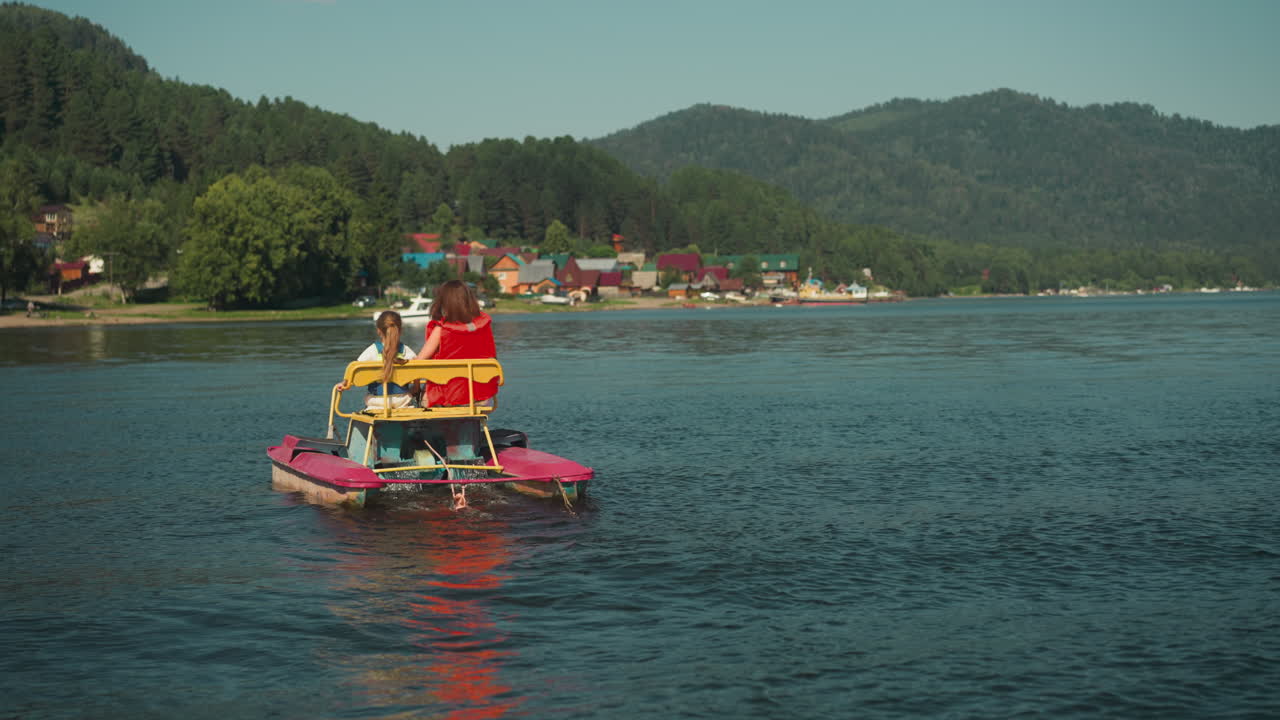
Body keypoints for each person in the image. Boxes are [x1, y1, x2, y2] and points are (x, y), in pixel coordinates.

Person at [414, 280, 498, 407]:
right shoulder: (484, 326)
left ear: (443, 302)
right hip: (482, 398)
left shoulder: (441, 330)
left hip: (447, 398)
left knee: (421, 394)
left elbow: (419, 363)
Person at [336, 310, 419, 410]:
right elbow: (416, 382)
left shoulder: (372, 351)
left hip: (376, 403)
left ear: (378, 330)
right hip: (402, 402)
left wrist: (344, 383)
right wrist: (412, 390)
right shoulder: (407, 351)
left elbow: (354, 369)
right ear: (400, 330)